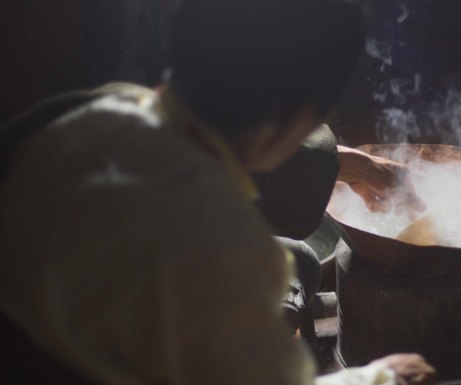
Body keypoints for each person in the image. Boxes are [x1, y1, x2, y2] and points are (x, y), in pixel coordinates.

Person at [0, 1, 434, 385]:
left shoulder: (103, 105)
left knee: (299, 259)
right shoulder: (228, 257)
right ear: (298, 121)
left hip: (44, 313)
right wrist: (381, 378)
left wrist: (353, 166)